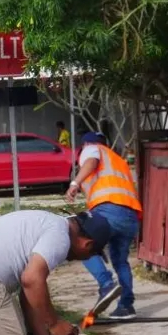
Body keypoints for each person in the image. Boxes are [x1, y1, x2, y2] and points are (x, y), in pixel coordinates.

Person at [66, 131, 143, 319]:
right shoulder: (117, 159)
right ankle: (126, 306)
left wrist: (75, 183)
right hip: (130, 216)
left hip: (109, 210)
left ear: (84, 145)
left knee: (80, 243)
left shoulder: (91, 149)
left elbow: (90, 162)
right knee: (120, 261)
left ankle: (106, 284)